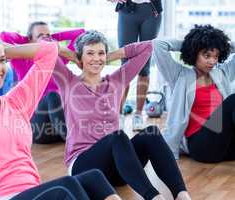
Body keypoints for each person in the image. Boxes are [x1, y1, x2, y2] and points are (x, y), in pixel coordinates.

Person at [0, 30, 121, 200]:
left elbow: (49, 52)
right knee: (67, 187)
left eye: (2, 60)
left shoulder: (17, 102)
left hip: (31, 192)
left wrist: (6, 50)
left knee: (94, 178)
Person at [52, 30, 191, 200]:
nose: (96, 58)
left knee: (152, 134)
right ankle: (153, 197)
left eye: (100, 53)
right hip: (84, 166)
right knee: (117, 136)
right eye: (90, 53)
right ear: (80, 56)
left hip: (117, 169)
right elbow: (46, 48)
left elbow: (148, 47)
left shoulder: (116, 80)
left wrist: (110, 56)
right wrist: (71, 55)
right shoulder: (68, 82)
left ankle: (181, 194)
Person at [153, 24, 235, 163]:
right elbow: (158, 45)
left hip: (224, 145)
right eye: (206, 55)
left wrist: (220, 45)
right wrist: (191, 44)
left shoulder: (222, 73)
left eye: (216, 56)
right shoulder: (180, 75)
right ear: (194, 53)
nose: (212, 61)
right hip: (201, 145)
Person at [0, 21, 85, 144]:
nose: (46, 37)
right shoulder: (20, 60)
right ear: (29, 40)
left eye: (48, 34)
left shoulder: (57, 58)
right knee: (52, 95)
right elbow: (4, 36)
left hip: (57, 128)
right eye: (40, 35)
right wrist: (27, 40)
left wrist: (51, 39)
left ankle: (77, 138)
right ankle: (78, 143)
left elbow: (81, 34)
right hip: (37, 128)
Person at [108, 0, 163, 130]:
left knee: (144, 65)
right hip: (127, 11)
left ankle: (138, 115)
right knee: (125, 65)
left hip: (151, 11)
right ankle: (119, 115)